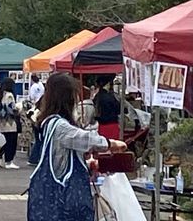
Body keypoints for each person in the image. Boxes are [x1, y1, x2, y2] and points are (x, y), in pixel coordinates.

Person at [27, 73, 127, 221]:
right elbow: (83, 138)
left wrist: (86, 164)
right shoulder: (59, 125)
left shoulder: (49, 123)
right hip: (64, 206)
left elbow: (63, 157)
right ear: (67, 97)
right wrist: (111, 144)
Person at [0, 77, 20, 170]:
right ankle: (9, 161)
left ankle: (0, 156)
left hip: (1, 122)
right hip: (10, 122)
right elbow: (11, 109)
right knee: (11, 141)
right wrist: (18, 109)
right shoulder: (9, 95)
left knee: (6, 140)